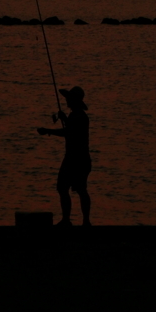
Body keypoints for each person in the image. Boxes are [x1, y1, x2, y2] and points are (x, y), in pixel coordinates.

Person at [37, 86, 91, 226]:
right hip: (80, 158)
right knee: (79, 189)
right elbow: (71, 128)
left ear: (74, 100)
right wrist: (65, 119)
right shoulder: (77, 116)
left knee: (66, 188)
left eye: (69, 98)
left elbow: (68, 133)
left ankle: (71, 220)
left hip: (75, 159)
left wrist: (48, 130)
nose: (66, 100)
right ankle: (82, 221)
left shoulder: (78, 116)